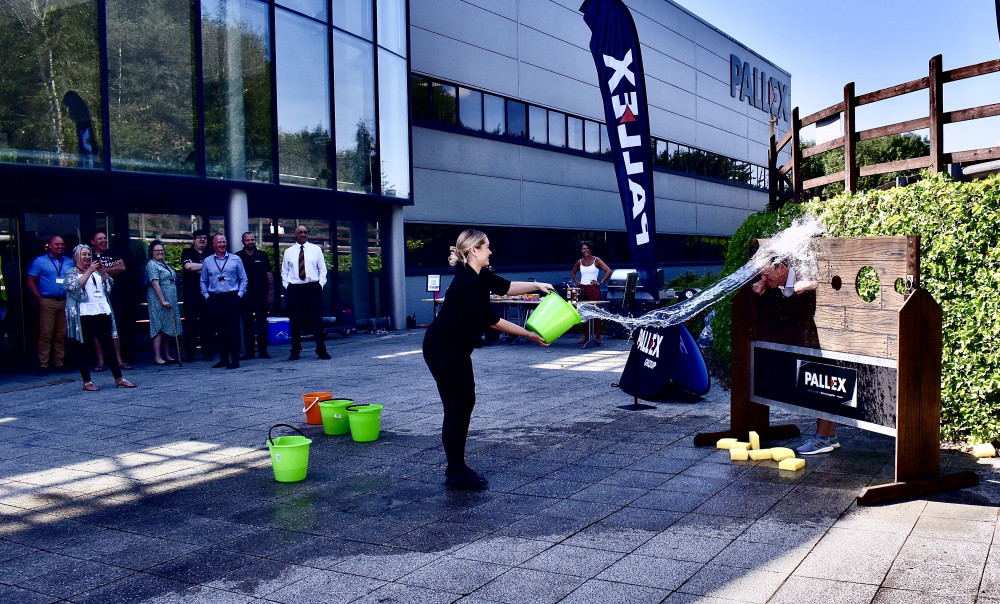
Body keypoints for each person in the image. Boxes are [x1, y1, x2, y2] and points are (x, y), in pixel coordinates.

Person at [423, 229, 553, 489]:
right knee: (457, 406)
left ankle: (457, 468)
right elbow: (492, 321)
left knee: (463, 404)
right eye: (487, 247)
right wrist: (528, 333)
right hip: (445, 349)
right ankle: (456, 471)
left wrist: (537, 287)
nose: (490, 251)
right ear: (474, 250)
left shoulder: (478, 274)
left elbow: (506, 287)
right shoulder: (468, 283)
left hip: (453, 348)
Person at [751, 261, 835, 454]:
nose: (764, 278)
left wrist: (814, 284)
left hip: (825, 332)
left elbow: (834, 280)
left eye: (767, 275)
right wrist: (762, 283)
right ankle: (830, 434)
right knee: (817, 382)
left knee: (823, 381)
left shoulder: (806, 269)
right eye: (761, 275)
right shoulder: (775, 280)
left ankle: (822, 438)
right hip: (805, 335)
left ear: (782, 268)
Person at [62, 244, 135, 391]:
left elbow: (108, 287)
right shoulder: (71, 273)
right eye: (83, 254)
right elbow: (75, 288)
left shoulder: (96, 272)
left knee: (108, 346)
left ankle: (119, 378)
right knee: (84, 348)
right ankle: (86, 382)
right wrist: (89, 271)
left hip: (101, 312)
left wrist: (102, 273)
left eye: (89, 254)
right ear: (76, 256)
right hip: (83, 314)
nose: (87, 257)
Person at [280, 225, 330, 361]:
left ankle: (321, 350)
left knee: (316, 321)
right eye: (300, 232)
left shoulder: (316, 250)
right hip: (295, 289)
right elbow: (284, 271)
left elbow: (323, 270)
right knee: (295, 321)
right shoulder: (289, 252)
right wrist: (287, 286)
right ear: (295, 235)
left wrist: (320, 285)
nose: (303, 234)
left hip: (312, 288)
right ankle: (295, 350)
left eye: (305, 232)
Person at [201, 233, 247, 369]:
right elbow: (203, 280)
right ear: (213, 245)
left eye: (224, 242)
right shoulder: (207, 261)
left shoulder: (235, 259)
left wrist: (239, 294)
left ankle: (235, 360)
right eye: (219, 242)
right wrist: (207, 296)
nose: (222, 245)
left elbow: (243, 278)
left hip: (232, 297)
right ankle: (223, 359)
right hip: (215, 298)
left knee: (234, 329)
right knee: (220, 330)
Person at [26, 235, 71, 372]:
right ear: (49, 245)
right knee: (46, 333)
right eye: (57, 244)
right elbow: (30, 280)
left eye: (62, 244)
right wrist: (39, 298)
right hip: (47, 301)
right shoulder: (40, 261)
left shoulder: (69, 262)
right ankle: (43, 364)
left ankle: (59, 363)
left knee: (61, 334)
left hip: (64, 301)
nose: (60, 247)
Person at [90, 231, 131, 371]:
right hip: (95, 298)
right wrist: (109, 271)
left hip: (113, 296)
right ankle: (101, 360)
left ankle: (118, 359)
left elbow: (122, 268)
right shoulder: (90, 255)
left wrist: (102, 270)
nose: (103, 240)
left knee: (115, 328)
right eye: (99, 238)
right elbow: (89, 273)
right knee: (97, 329)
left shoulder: (113, 252)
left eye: (105, 238)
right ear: (93, 242)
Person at [236, 232, 274, 360]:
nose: (250, 242)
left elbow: (268, 274)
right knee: (247, 325)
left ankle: (263, 351)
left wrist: (270, 292)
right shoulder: (237, 257)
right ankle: (249, 352)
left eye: (252, 239)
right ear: (243, 241)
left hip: (261, 295)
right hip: (245, 296)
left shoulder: (262, 255)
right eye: (248, 240)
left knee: (262, 324)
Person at [145, 240, 181, 365]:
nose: (160, 252)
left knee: (167, 326)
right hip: (158, 299)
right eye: (157, 250)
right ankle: (157, 356)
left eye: (161, 250)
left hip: (168, 298)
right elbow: (155, 284)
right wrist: (163, 300)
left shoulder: (163, 263)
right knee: (158, 326)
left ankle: (166, 354)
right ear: (151, 252)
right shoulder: (152, 265)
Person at [181, 229, 214, 362]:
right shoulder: (186, 252)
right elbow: (188, 267)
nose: (202, 240)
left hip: (207, 295)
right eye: (199, 237)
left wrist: (199, 267)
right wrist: (205, 267)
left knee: (207, 324)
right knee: (190, 324)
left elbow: (214, 270)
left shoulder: (211, 253)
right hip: (191, 295)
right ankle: (190, 354)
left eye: (204, 237)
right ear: (194, 239)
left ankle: (207, 352)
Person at [570, 241, 611, 345]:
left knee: (595, 313)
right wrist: (578, 282)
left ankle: (597, 337)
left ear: (591, 249)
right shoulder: (579, 262)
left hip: (593, 288)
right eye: (584, 249)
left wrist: (600, 282)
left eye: (587, 248)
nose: (586, 250)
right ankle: (586, 337)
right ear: (581, 251)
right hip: (582, 289)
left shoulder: (596, 260)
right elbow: (573, 272)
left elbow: (608, 271)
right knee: (584, 314)